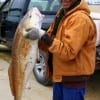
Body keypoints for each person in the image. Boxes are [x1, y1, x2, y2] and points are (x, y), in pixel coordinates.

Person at [25, 0, 97, 100]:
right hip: (59, 76)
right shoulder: (62, 13)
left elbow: (68, 52)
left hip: (73, 81)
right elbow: (50, 40)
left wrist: (43, 36)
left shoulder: (80, 19)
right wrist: (35, 39)